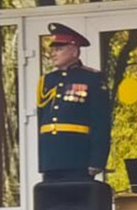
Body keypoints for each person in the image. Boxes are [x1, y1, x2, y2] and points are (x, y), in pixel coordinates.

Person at [36, 23, 110, 182]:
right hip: (51, 158)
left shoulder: (92, 78)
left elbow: (101, 122)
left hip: (78, 157)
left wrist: (97, 160)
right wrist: (43, 158)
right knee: (53, 204)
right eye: (52, 50)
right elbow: (41, 120)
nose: (53, 54)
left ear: (74, 50)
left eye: (59, 49)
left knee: (78, 204)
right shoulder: (47, 80)